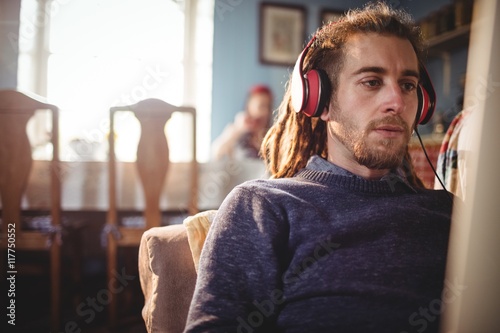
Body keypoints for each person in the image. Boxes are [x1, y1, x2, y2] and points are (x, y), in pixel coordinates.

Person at [185, 3, 453, 333]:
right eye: (371, 81)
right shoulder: (263, 205)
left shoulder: (451, 214)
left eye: (408, 85)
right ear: (321, 101)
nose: (397, 101)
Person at [211, 85, 273, 160]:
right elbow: (216, 153)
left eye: (268, 107)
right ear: (249, 106)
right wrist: (238, 130)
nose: (265, 112)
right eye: (261, 106)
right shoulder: (235, 129)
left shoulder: (272, 135)